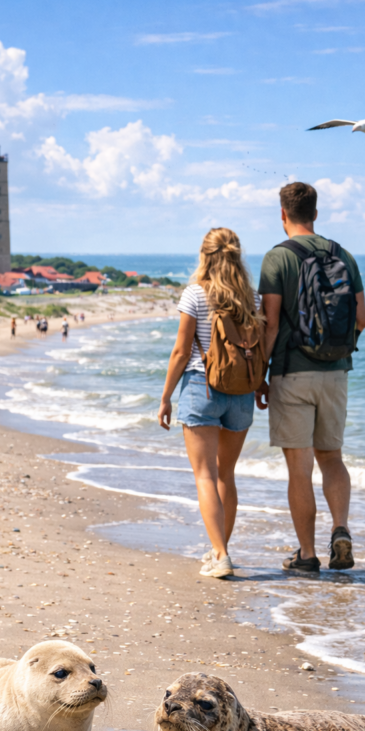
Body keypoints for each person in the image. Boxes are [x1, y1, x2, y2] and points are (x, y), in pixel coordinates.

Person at [257, 182, 365, 573]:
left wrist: (259, 376)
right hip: (336, 374)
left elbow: (270, 325)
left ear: (282, 214)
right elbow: (360, 320)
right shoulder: (344, 255)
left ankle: (306, 555)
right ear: (316, 214)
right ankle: (340, 528)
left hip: (291, 373)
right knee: (333, 458)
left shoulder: (277, 258)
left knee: (300, 467)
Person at [158, 227, 263, 579]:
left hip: (201, 388)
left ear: (205, 255)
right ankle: (221, 549)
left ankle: (221, 554)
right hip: (241, 393)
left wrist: (166, 397)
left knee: (205, 475)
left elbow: (180, 351)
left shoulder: (195, 295)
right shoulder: (252, 298)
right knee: (226, 475)